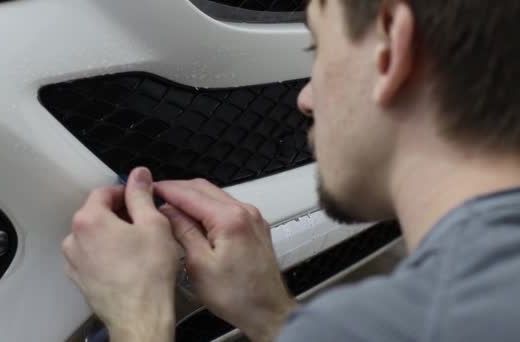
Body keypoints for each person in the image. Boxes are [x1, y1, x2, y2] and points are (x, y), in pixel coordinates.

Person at [61, 0, 520, 341]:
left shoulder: (419, 318)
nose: (304, 99)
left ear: (389, 49)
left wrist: (138, 318)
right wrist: (270, 315)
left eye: (317, 49)